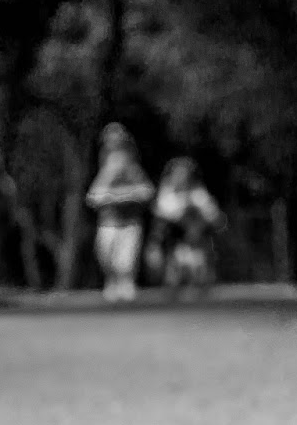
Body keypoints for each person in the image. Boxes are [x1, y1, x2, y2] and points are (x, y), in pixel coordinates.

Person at [86, 123, 154, 302]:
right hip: (108, 222)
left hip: (130, 223)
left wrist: (126, 196)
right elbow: (93, 198)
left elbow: (147, 192)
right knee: (105, 256)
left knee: (126, 260)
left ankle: (126, 285)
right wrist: (108, 177)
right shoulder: (104, 171)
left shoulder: (133, 169)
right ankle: (111, 283)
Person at [149, 157, 226, 295]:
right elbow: (162, 219)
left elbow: (217, 219)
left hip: (199, 243)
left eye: (184, 174)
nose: (180, 178)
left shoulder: (199, 194)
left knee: (199, 281)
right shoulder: (165, 194)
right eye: (177, 174)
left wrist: (198, 224)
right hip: (174, 243)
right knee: (174, 283)